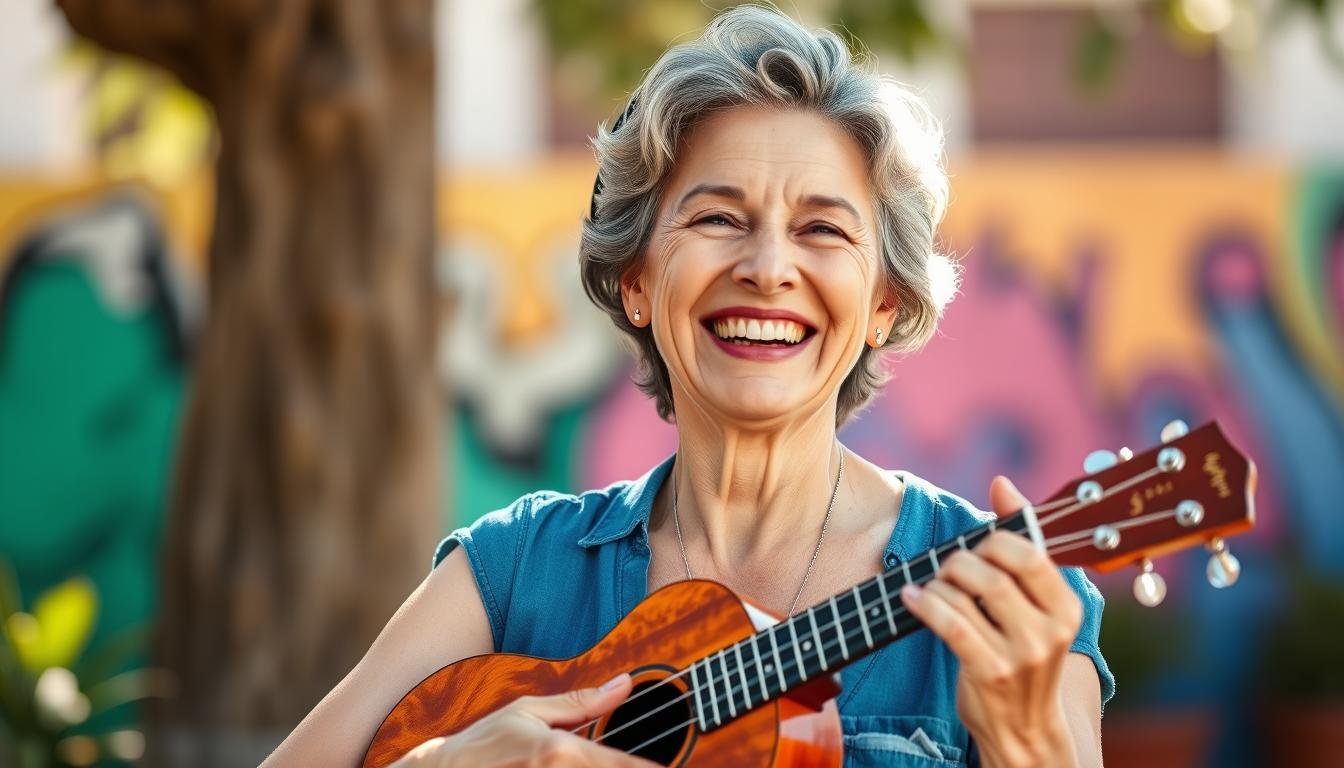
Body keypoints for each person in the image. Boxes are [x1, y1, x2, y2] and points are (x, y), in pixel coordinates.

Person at [264, 6, 1112, 766]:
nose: (769, 268)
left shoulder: (1013, 605)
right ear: (637, 280)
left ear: (884, 304)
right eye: (717, 219)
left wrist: (1031, 749)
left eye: (822, 228)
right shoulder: (516, 571)